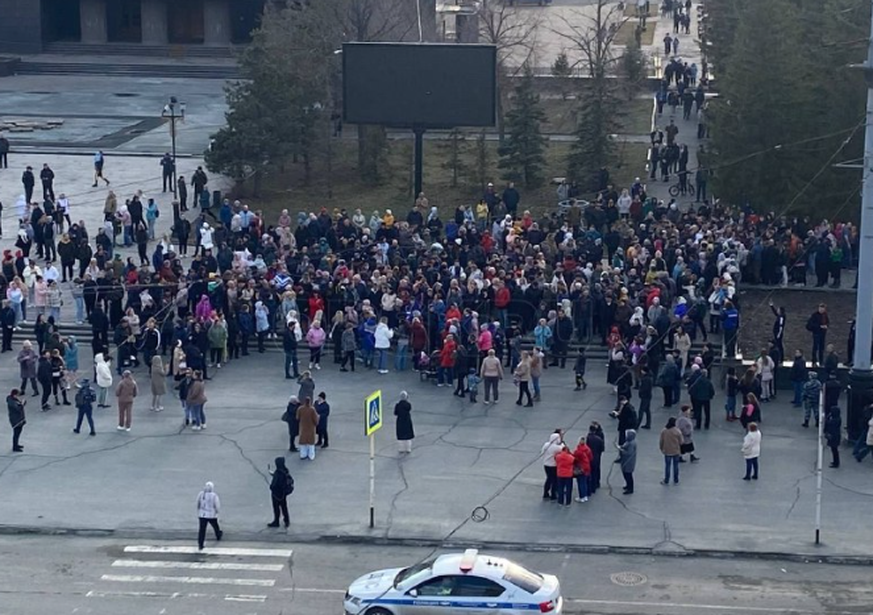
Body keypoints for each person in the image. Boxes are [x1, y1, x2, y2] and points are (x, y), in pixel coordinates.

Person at [267, 456, 293, 528]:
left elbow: (274, 484)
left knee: (276, 508)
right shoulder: (285, 471)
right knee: (284, 507)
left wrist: (271, 487)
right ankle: (287, 520)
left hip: (276, 494)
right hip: (283, 494)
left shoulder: (278, 473)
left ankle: (276, 521)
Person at [196, 481, 222, 550]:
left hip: (202, 515)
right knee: (215, 525)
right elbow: (217, 505)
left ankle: (200, 544)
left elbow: (198, 503)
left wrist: (199, 510)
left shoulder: (201, 494)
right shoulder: (214, 495)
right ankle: (218, 534)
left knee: (202, 530)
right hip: (211, 515)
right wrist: (217, 512)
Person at [659, 417, 683, 485]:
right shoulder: (677, 431)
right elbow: (681, 442)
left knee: (667, 466)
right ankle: (676, 479)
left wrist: (661, 448)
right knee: (676, 466)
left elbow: (661, 441)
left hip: (667, 451)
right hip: (676, 451)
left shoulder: (664, 431)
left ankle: (666, 480)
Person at [541, 432, 563, 501]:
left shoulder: (546, 445)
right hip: (553, 465)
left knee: (548, 479)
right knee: (554, 480)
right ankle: (553, 495)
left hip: (546, 464)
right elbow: (562, 447)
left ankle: (545, 493)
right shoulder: (556, 447)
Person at [616, 429, 637, 495]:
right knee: (626, 474)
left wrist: (621, 450)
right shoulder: (629, 441)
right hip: (626, 460)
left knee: (628, 475)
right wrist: (621, 447)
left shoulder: (631, 443)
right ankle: (628, 485)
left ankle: (630, 488)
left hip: (629, 461)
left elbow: (628, 453)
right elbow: (625, 446)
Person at [572, 437, 592, 503]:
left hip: (581, 468)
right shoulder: (587, 449)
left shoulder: (578, 451)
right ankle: (585, 496)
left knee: (581, 483)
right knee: (584, 483)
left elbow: (574, 458)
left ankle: (582, 497)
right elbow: (590, 457)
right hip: (586, 467)